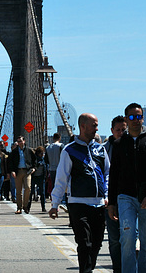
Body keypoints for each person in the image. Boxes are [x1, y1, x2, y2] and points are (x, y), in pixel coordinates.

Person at [49, 113, 110, 273]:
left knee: (96, 244)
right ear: (82, 126)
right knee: (84, 243)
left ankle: (88, 268)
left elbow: (107, 174)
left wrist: (107, 196)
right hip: (78, 204)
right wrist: (55, 204)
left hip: (98, 204)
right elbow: (61, 179)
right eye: (94, 125)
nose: (96, 129)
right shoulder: (70, 151)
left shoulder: (100, 149)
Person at [108, 103, 146, 273]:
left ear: (143, 118)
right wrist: (111, 203)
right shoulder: (119, 144)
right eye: (131, 117)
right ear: (126, 119)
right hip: (125, 196)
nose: (135, 120)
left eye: (138, 116)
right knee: (127, 238)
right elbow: (114, 174)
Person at [103, 115, 126, 273]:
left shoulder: (133, 145)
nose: (121, 132)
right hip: (111, 197)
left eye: (123, 129)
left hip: (129, 196)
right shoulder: (103, 148)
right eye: (118, 130)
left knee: (131, 236)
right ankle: (117, 268)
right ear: (112, 131)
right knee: (114, 238)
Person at [9, 135, 36, 214]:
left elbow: (35, 160)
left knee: (28, 188)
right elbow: (10, 162)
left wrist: (34, 168)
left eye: (20, 141)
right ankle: (19, 207)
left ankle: (25, 205)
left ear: (24, 141)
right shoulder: (14, 152)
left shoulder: (29, 150)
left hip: (27, 171)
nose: (19, 143)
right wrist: (12, 171)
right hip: (18, 172)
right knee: (18, 191)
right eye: (18, 141)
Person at [45, 132, 65, 198]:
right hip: (60, 169)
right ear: (60, 138)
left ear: (53, 138)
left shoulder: (48, 147)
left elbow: (46, 160)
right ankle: (61, 199)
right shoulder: (61, 146)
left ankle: (54, 198)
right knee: (61, 185)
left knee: (54, 185)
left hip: (51, 169)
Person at [30, 146, 48, 212]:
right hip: (34, 177)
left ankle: (43, 207)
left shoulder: (43, 160)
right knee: (31, 192)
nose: (42, 155)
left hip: (41, 177)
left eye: (43, 153)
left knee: (42, 193)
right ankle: (28, 207)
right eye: (41, 153)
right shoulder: (34, 159)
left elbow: (45, 168)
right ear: (38, 153)